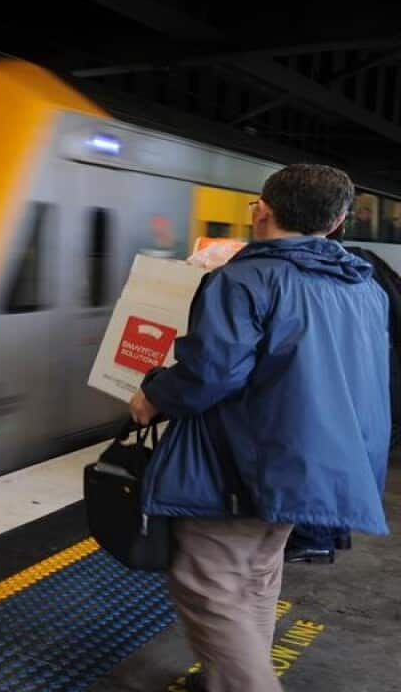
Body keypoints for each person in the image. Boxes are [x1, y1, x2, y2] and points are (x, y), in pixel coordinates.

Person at [129, 164, 391, 692]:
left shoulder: (244, 279)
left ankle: (245, 682)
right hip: (323, 463)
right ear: (338, 221)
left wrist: (152, 394)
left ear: (262, 211)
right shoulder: (363, 287)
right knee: (257, 572)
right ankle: (240, 673)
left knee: (208, 583)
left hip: (249, 459)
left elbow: (211, 374)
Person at [283, 217, 401, 564]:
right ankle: (332, 533)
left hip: (363, 379)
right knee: (344, 455)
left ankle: (317, 537)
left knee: (325, 451)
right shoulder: (361, 265)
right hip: (374, 381)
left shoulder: (328, 272)